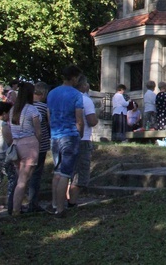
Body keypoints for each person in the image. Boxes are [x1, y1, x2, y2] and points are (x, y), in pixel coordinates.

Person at [47, 65, 84, 218]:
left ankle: (55, 204)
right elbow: (79, 119)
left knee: (56, 171)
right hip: (70, 135)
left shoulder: (52, 93)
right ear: (74, 77)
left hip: (55, 136)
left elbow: (49, 116)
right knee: (65, 173)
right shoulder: (76, 94)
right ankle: (61, 209)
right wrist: (79, 134)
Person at [9, 82, 42, 215]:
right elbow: (38, 131)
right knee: (24, 180)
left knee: (19, 177)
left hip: (16, 144)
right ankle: (16, 209)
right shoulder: (32, 110)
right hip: (29, 144)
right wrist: (38, 142)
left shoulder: (13, 110)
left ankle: (15, 206)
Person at [68, 76, 98, 208]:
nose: (88, 86)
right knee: (79, 172)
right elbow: (91, 121)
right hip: (82, 138)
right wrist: (96, 119)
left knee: (66, 172)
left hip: (65, 137)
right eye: (86, 83)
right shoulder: (85, 99)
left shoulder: (67, 98)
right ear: (83, 85)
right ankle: (72, 202)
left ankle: (61, 201)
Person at [26, 82, 50, 212]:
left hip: (25, 144)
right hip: (41, 144)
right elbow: (49, 123)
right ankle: (33, 202)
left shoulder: (25, 107)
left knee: (25, 174)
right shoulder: (43, 107)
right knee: (36, 174)